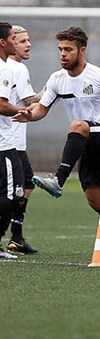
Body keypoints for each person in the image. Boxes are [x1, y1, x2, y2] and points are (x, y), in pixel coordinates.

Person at [12, 27, 100, 266]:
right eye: (60, 50)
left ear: (82, 50)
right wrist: (28, 116)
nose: (62, 54)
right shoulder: (56, 79)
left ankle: (58, 180)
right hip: (86, 143)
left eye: (68, 49)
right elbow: (41, 109)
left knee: (77, 125)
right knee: (96, 200)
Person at [6, 26, 42, 254]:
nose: (28, 45)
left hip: (14, 140)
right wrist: (54, 88)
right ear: (9, 44)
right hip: (11, 141)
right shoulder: (17, 68)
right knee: (14, 191)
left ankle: (17, 236)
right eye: (21, 41)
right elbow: (30, 101)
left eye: (29, 40)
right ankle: (14, 235)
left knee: (27, 183)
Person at [0, 22, 27, 259]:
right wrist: (23, 111)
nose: (16, 42)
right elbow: (1, 105)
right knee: (14, 196)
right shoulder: (4, 68)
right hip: (4, 145)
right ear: (3, 42)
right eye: (13, 38)